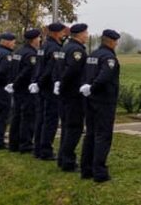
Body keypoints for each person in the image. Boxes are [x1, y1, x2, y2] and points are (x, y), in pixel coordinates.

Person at [80, 29, 121, 183]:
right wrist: (93, 87)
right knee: (103, 135)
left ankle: (86, 169)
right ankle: (99, 172)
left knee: (90, 134)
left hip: (90, 100)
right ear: (110, 41)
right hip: (104, 101)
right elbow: (104, 76)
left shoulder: (92, 55)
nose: (116, 44)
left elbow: (85, 74)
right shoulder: (109, 57)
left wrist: (87, 87)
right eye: (116, 41)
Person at [56, 23, 89, 171]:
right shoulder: (77, 50)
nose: (87, 36)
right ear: (79, 34)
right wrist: (64, 85)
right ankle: (68, 161)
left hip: (65, 93)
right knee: (74, 128)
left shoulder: (65, 47)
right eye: (85, 33)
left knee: (67, 127)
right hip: (73, 94)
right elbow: (72, 71)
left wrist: (59, 85)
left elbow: (59, 69)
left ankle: (62, 159)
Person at [32, 22, 67, 160]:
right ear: (55, 33)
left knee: (41, 118)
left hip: (41, 86)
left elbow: (38, 68)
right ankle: (46, 150)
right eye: (62, 32)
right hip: (49, 87)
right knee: (50, 120)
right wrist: (41, 82)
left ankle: (38, 148)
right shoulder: (54, 48)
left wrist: (36, 82)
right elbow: (50, 69)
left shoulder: (44, 46)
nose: (64, 34)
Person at [9, 28, 42, 153]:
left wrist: (13, 83)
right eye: (38, 38)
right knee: (27, 117)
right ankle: (25, 143)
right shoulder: (31, 54)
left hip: (17, 89)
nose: (40, 40)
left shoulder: (18, 52)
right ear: (33, 40)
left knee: (17, 116)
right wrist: (17, 83)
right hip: (26, 89)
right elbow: (27, 72)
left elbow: (13, 70)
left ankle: (14, 143)